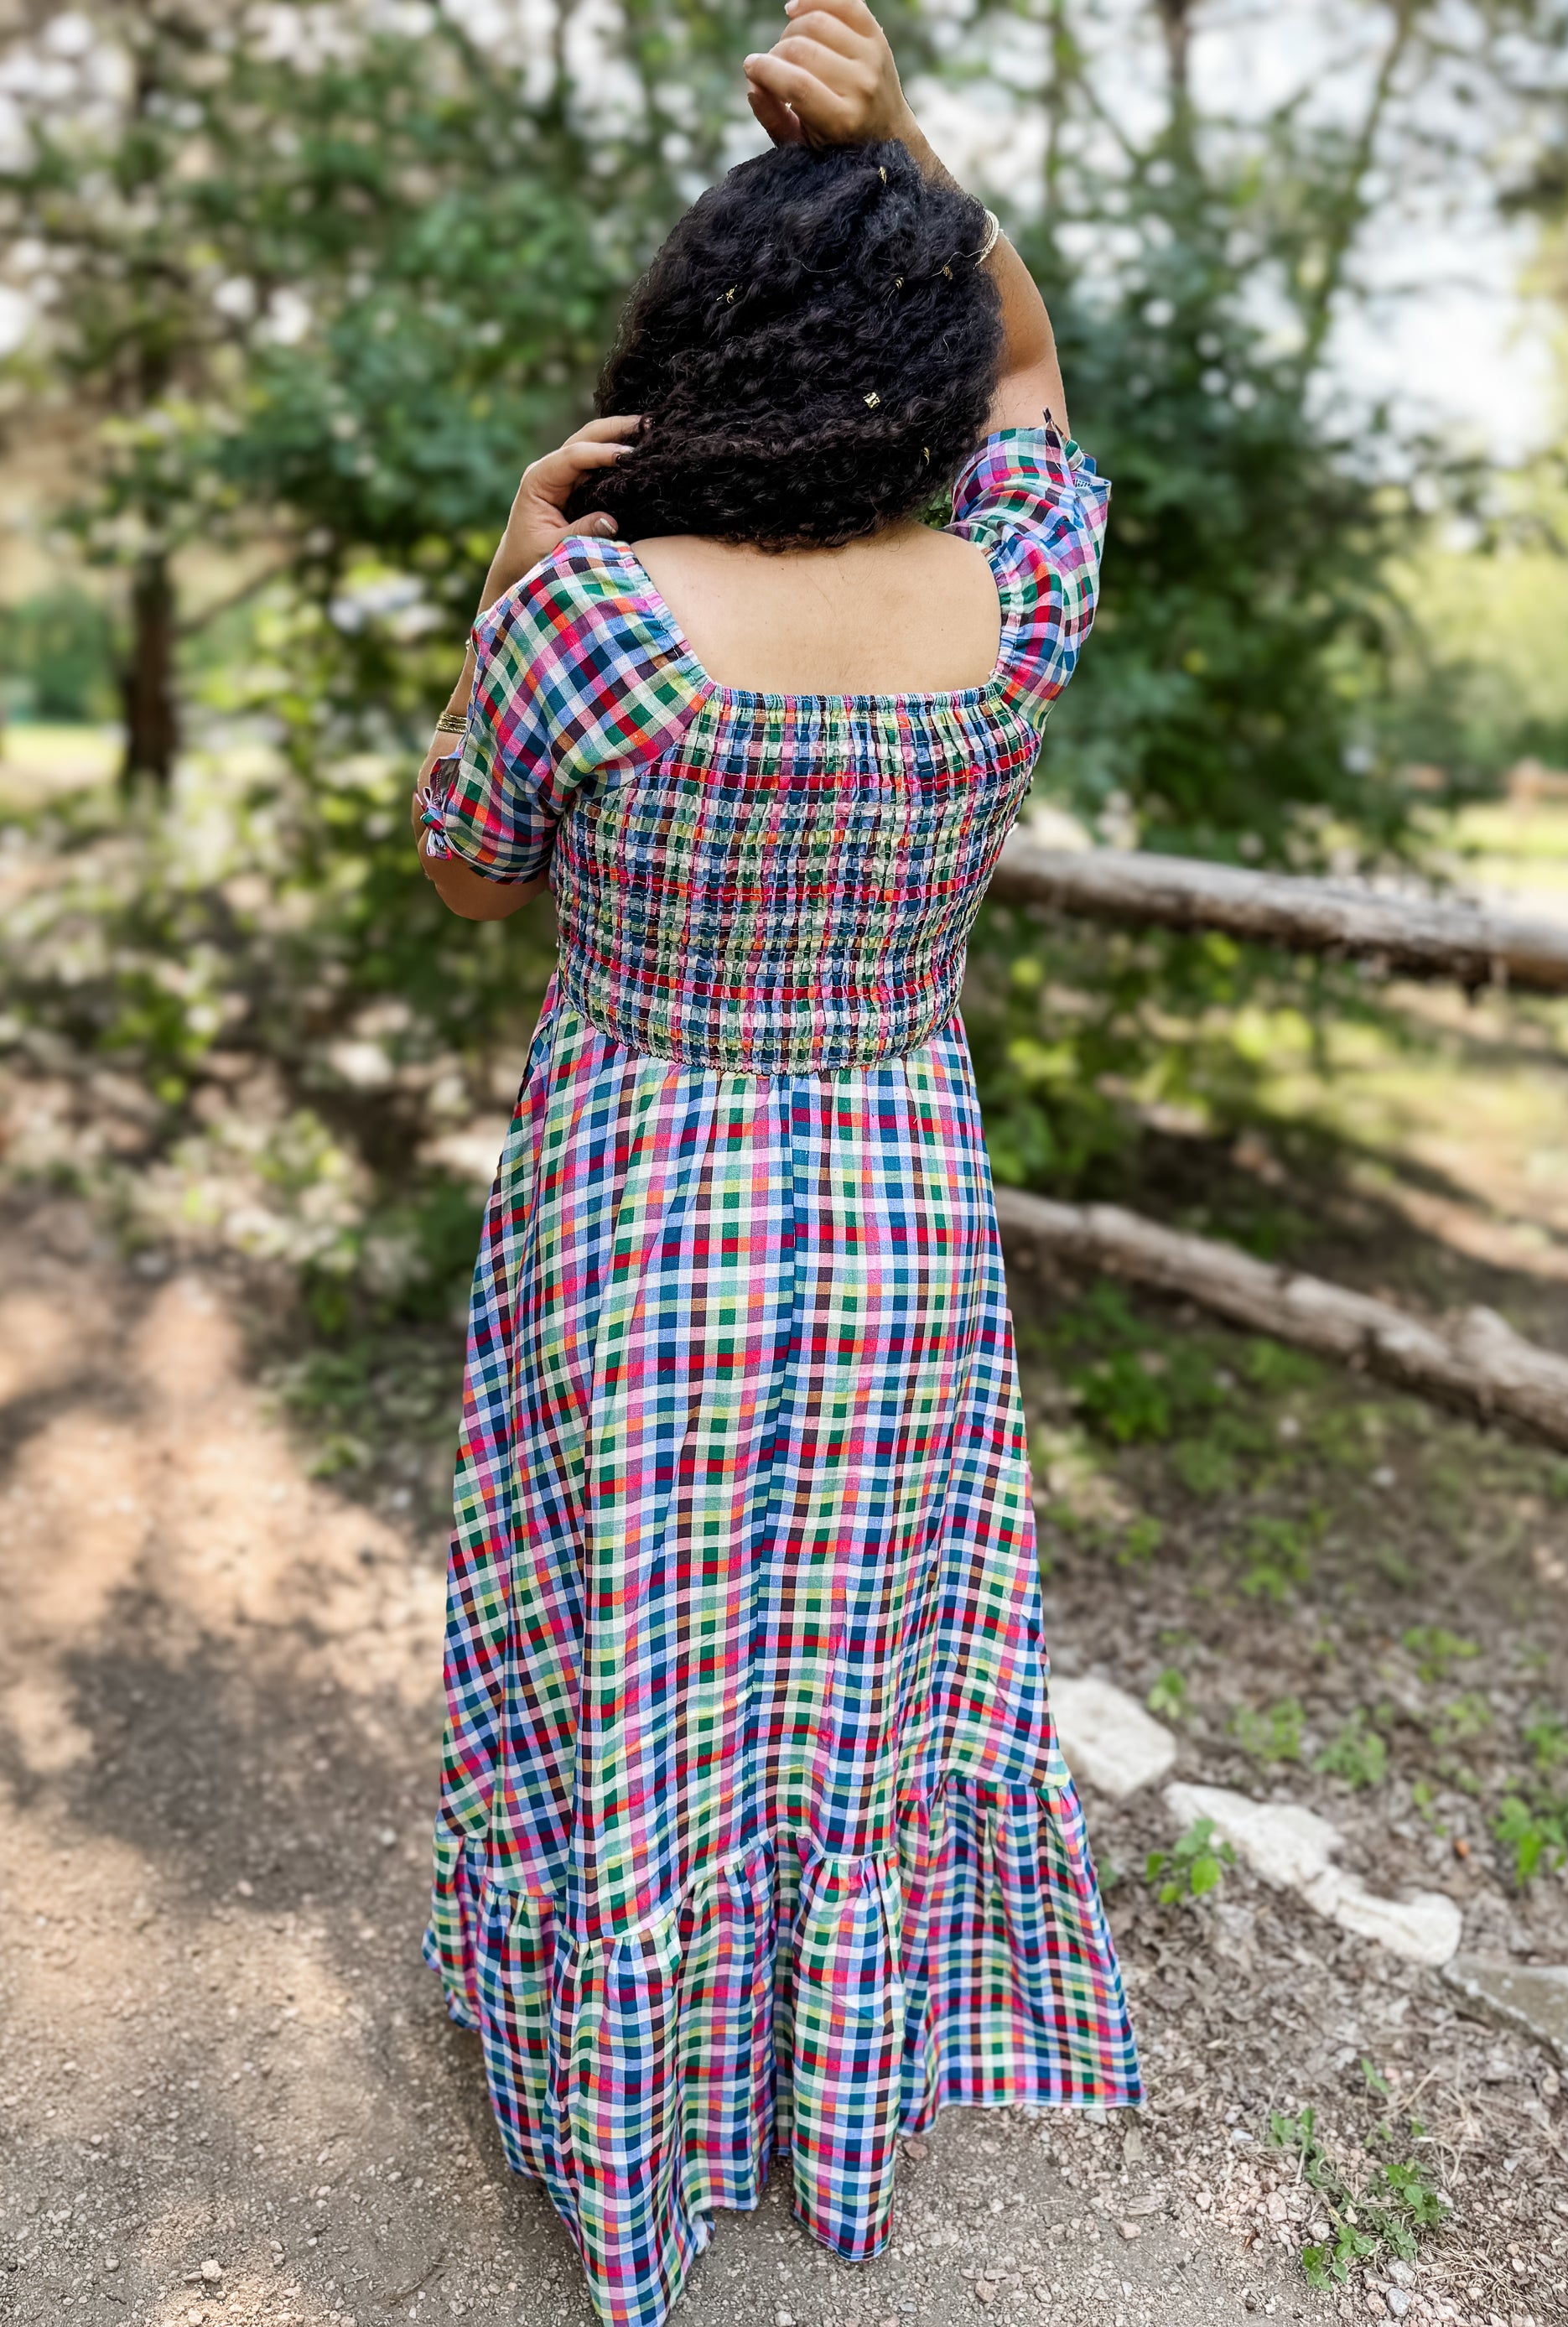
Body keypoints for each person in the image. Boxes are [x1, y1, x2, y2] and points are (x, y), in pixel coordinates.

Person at [412, 6, 1140, 2323]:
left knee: (622, 1652)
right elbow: (1031, 378)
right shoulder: (1009, 607)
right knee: (850, 1669)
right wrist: (915, 159)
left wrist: (513, 557)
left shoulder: (596, 620)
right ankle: (821, 2105)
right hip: (898, 1205)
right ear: (901, 367)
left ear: (696, 350)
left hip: (640, 1209)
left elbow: (467, 872)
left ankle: (626, 2125)